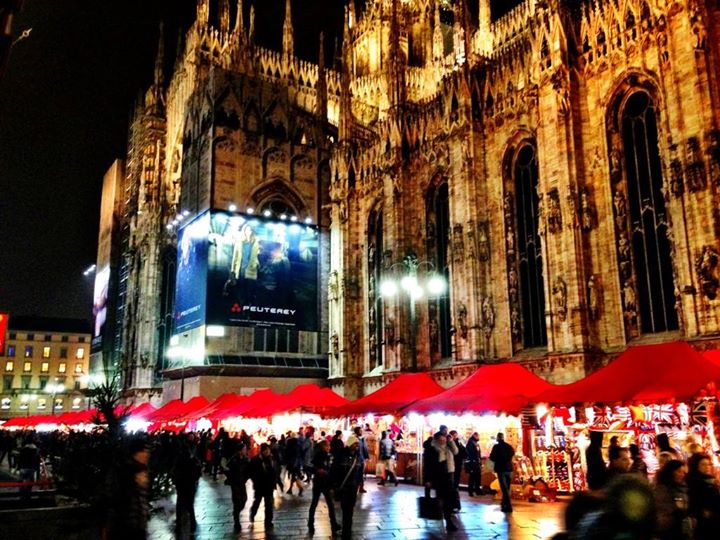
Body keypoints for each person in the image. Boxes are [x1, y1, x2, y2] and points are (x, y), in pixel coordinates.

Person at [109, 438, 150, 540]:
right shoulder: (126, 471)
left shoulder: (142, 470)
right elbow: (119, 497)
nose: (147, 454)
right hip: (127, 525)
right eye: (144, 451)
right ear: (136, 453)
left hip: (139, 524)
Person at [425, 432, 459, 532]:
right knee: (441, 498)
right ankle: (440, 517)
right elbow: (427, 466)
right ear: (436, 440)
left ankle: (448, 522)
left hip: (447, 475)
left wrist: (451, 441)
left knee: (447, 499)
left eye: (444, 439)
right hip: (437, 476)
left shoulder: (448, 448)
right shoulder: (431, 450)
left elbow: (456, 452)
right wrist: (427, 479)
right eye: (440, 440)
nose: (443, 441)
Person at [307, 439, 341, 535]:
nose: (329, 447)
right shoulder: (319, 455)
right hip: (320, 482)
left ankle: (333, 524)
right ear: (323, 446)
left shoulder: (327, 456)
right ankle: (311, 522)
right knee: (317, 503)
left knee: (328, 504)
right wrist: (318, 470)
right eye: (327, 446)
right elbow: (312, 467)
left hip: (325, 482)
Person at [331, 436, 362, 540]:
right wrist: (335, 485)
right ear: (350, 444)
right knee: (345, 511)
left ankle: (347, 532)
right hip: (343, 488)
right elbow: (334, 470)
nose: (357, 445)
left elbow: (359, 471)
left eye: (358, 444)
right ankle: (346, 533)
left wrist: (358, 483)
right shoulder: (341, 455)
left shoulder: (358, 456)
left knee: (350, 511)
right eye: (355, 443)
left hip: (353, 488)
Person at [654, 459, 693, 540]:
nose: (682, 474)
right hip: (669, 529)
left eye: (683, 472)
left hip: (682, 527)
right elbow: (663, 508)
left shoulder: (683, 487)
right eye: (679, 471)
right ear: (671, 472)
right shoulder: (662, 488)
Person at [173, 435, 202, 534]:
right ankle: (193, 522)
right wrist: (195, 479)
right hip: (190, 485)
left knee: (180, 504)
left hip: (181, 485)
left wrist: (176, 483)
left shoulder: (178, 460)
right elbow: (199, 471)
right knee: (190, 504)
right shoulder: (193, 460)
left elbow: (175, 472)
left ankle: (179, 524)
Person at [687, 453, 720, 539]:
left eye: (708, 464)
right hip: (705, 522)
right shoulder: (693, 482)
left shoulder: (711, 480)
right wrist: (701, 511)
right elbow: (692, 501)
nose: (707, 467)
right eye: (703, 464)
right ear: (696, 466)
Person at [225, 222, 261, 301]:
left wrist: (256, 263)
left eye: (250, 230)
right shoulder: (240, 241)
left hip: (251, 269)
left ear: (252, 231)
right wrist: (233, 269)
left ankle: (247, 307)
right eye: (247, 230)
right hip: (240, 269)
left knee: (249, 290)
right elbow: (235, 256)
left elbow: (256, 256)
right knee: (240, 289)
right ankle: (241, 308)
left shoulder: (255, 242)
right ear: (244, 231)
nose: (249, 232)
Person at [248, 443, 277, 528]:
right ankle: (252, 513)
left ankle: (268, 521)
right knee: (257, 502)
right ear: (262, 451)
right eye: (265, 450)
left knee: (269, 504)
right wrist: (255, 482)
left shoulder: (272, 459)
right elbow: (251, 473)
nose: (267, 451)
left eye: (268, 449)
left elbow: (274, 471)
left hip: (269, 486)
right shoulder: (256, 460)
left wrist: (275, 482)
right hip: (260, 486)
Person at [225, 443, 250, 531]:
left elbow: (249, 469)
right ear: (240, 451)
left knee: (244, 499)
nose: (245, 450)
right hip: (235, 483)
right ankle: (236, 521)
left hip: (242, 482)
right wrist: (231, 477)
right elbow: (226, 469)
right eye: (244, 449)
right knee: (237, 500)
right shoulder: (233, 459)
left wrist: (246, 477)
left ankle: (236, 512)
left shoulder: (246, 459)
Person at [489, 432, 515, 513]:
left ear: (497, 438)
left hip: (501, 469)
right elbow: (513, 453)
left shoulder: (496, 447)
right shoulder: (508, 446)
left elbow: (492, 457)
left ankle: (509, 506)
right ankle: (504, 504)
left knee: (504, 489)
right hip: (509, 469)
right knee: (507, 488)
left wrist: (498, 460)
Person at [449, 430, 466, 509]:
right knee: (454, 486)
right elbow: (464, 453)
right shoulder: (458, 443)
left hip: (453, 466)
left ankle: (454, 504)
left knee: (453, 485)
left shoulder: (455, 443)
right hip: (456, 465)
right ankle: (456, 504)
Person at [353, 426, 369, 493]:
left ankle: (361, 488)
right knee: (355, 474)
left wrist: (367, 457)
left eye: (361, 431)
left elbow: (365, 448)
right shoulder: (352, 438)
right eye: (360, 431)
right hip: (355, 459)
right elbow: (348, 448)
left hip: (362, 459)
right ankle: (354, 487)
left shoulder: (362, 439)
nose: (361, 432)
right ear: (356, 431)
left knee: (361, 474)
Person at [465, 432, 482, 497]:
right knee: (472, 477)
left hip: (476, 462)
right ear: (475, 436)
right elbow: (469, 453)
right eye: (478, 436)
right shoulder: (471, 442)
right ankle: (471, 491)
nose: (479, 437)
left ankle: (477, 490)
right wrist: (474, 460)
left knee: (477, 477)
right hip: (473, 463)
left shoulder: (475, 442)